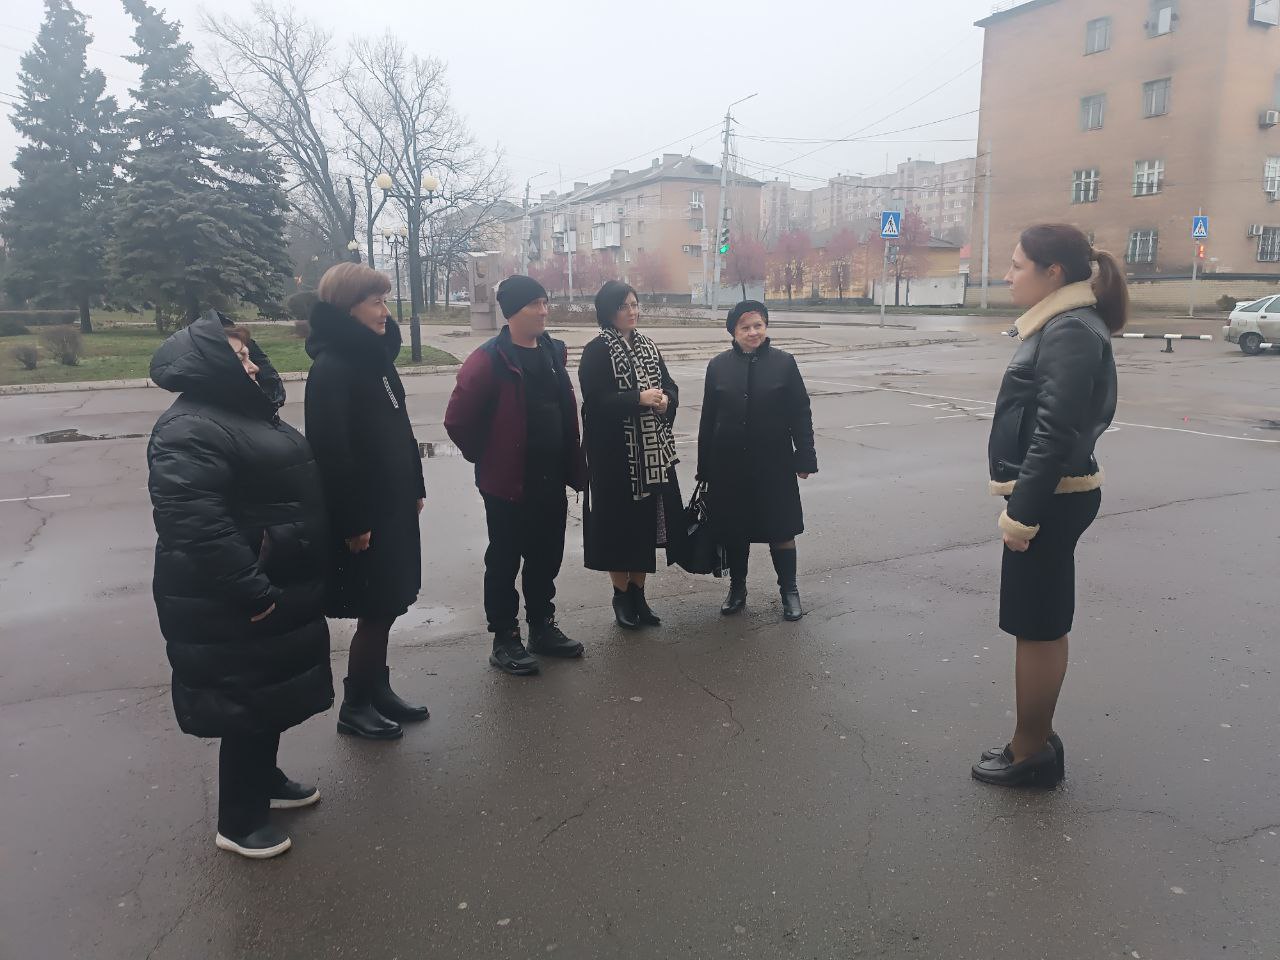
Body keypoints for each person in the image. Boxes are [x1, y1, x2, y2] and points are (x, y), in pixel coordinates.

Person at [148, 313, 332, 860]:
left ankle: (264, 781)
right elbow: (194, 522)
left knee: (266, 695)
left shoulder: (243, 413)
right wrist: (250, 588)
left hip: (272, 579)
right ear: (209, 364)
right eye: (238, 357)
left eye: (250, 355)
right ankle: (239, 819)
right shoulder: (189, 427)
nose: (252, 365)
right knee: (245, 703)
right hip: (230, 595)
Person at [971, 223, 1126, 788]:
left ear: (1052, 272)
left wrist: (1022, 515)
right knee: (1042, 622)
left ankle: (1029, 750)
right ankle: (1037, 738)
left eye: (1017, 265)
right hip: (1054, 494)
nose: (1007, 275)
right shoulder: (1066, 323)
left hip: (1050, 499)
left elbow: (1055, 433)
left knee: (1035, 628)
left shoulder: (1069, 330)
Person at [305, 263, 428, 741]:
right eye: (376, 302)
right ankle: (355, 705)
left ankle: (378, 689)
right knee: (376, 607)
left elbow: (401, 428)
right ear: (348, 307)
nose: (385, 311)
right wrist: (353, 521)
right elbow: (331, 452)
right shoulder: (333, 368)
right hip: (366, 514)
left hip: (393, 504)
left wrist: (415, 485)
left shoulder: (374, 359)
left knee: (390, 602)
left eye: (385, 301)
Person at [444, 275, 587, 675]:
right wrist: (488, 456)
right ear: (512, 312)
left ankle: (542, 626)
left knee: (545, 556)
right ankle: (505, 638)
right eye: (535, 304)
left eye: (545, 302)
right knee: (505, 560)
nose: (544, 311)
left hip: (550, 477)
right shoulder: (487, 360)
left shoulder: (552, 352)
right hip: (507, 484)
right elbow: (457, 420)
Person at [697, 300, 817, 622]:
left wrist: (805, 456)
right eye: (745, 327)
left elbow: (800, 412)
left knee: (781, 529)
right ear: (733, 331)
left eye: (758, 325)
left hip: (774, 463)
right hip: (729, 465)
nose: (753, 332)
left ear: (766, 327)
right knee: (735, 530)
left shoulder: (784, 363)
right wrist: (704, 467)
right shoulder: (718, 366)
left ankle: (789, 591)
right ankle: (737, 589)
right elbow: (708, 419)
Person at [578, 281, 684, 630]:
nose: (632, 311)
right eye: (624, 306)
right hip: (614, 457)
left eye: (635, 304)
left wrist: (666, 400)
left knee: (643, 526)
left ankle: (639, 594)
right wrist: (637, 398)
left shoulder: (648, 346)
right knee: (616, 527)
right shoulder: (597, 350)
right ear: (609, 311)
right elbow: (595, 402)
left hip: (651, 457)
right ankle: (621, 595)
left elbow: (669, 385)